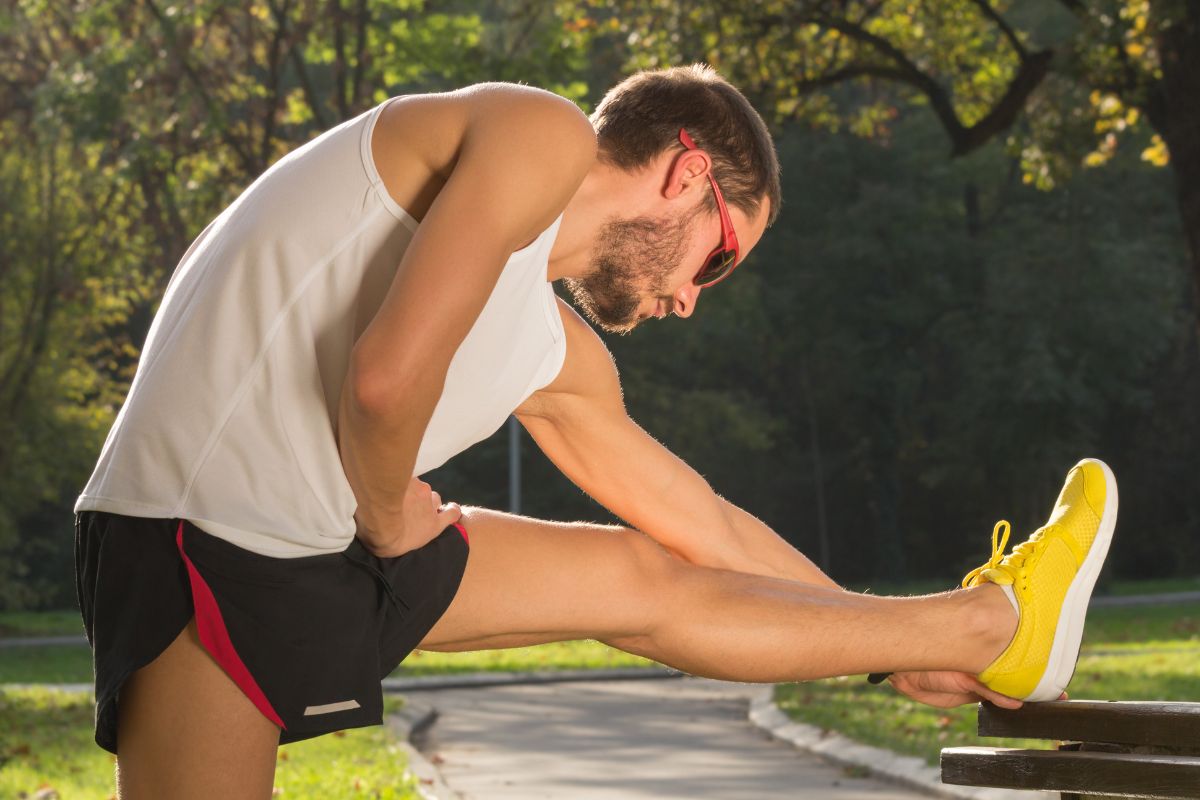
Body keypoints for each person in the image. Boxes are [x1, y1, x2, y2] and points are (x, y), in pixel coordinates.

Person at [73, 64, 1117, 798]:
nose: (691, 299)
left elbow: (701, 523)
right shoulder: (539, 134)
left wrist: (885, 649)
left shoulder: (556, 350)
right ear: (686, 170)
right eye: (717, 257)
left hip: (326, 536)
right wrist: (395, 520)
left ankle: (981, 631)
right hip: (191, 525)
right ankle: (988, 620)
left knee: (642, 573)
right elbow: (385, 382)